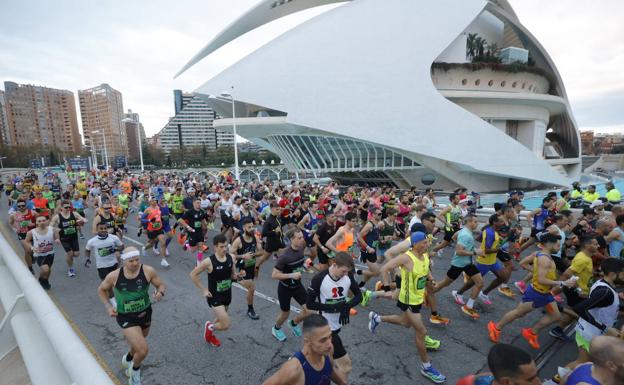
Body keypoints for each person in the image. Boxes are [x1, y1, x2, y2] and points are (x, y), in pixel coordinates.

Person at [368, 231, 446, 383]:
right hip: (408, 300)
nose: (427, 244)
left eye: (427, 242)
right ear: (414, 244)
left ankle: (378, 318)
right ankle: (426, 367)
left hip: (417, 298)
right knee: (421, 331)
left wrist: (432, 279)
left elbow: (426, 269)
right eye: (423, 242)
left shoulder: (424, 255)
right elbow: (384, 269)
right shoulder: (406, 257)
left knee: (405, 323)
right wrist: (385, 288)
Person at [488, 233, 578, 349]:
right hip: (536, 293)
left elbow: (523, 263)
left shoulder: (538, 254)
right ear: (550, 244)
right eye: (558, 245)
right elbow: (541, 279)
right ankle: (496, 327)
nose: (559, 247)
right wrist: (562, 283)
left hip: (545, 294)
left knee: (555, 315)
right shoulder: (545, 260)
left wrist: (535, 272)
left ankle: (532, 332)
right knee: (518, 313)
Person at [97, 246, 166, 385]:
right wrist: (108, 307)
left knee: (139, 342)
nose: (135, 263)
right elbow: (101, 290)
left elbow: (160, 285)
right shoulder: (114, 276)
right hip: (126, 316)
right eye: (131, 261)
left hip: (145, 312)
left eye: (137, 260)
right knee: (143, 350)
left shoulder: (148, 271)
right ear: (123, 261)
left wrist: (160, 292)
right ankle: (134, 372)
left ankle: (128, 357)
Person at [306, 252, 361, 378]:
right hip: (325, 326)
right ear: (334, 265)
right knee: (345, 366)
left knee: (328, 359)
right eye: (343, 271)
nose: (346, 275)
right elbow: (310, 304)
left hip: (337, 324)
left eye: (347, 272)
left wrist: (347, 306)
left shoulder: (348, 275)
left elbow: (359, 295)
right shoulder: (319, 278)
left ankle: (311, 364)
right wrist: (331, 307)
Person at [563, 258, 624, 371]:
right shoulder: (605, 292)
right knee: (581, 363)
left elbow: (603, 305)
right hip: (589, 335)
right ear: (612, 274)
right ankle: (554, 381)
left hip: (590, 332)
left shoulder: (602, 284)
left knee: (587, 363)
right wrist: (604, 328)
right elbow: (579, 308)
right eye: (622, 274)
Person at [190, 234, 245, 347]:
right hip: (214, 296)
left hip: (227, 294)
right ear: (215, 247)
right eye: (221, 247)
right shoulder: (208, 261)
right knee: (226, 324)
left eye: (225, 246)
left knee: (221, 317)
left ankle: (209, 333)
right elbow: (193, 274)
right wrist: (204, 290)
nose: (224, 249)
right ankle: (210, 327)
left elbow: (233, 276)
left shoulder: (231, 257)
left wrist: (239, 275)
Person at [261, 314, 347, 385]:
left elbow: (330, 371)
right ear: (307, 341)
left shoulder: (328, 350)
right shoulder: (294, 369)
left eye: (330, 336)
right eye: (323, 340)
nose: (329, 343)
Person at [432, 214, 485, 319]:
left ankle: (468, 306)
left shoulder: (462, 231)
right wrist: (475, 252)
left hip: (467, 264)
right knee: (444, 284)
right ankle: (426, 294)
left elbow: (454, 237)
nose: (477, 223)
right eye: (475, 221)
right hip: (458, 264)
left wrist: (470, 249)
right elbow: (459, 251)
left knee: (480, 283)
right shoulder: (466, 235)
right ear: (469, 222)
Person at [271, 229, 311, 342]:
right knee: (285, 313)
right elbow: (274, 275)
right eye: (299, 238)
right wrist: (291, 275)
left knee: (310, 310)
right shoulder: (284, 256)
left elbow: (299, 263)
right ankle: (276, 329)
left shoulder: (301, 247)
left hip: (297, 286)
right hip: (285, 288)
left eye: (302, 237)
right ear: (292, 239)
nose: (302, 240)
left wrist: (304, 266)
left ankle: (294, 323)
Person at [455, 343, 541, 385]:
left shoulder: (473, 380)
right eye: (530, 379)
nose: (539, 383)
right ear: (506, 382)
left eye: (537, 375)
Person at [230, 218, 264, 320]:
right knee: (251, 288)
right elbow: (230, 254)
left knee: (250, 287)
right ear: (244, 228)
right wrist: (243, 256)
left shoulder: (255, 238)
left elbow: (261, 252)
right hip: (242, 268)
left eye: (252, 226)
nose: (252, 229)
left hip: (251, 267)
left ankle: (234, 279)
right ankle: (250, 309)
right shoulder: (239, 240)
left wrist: (253, 254)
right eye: (249, 227)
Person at [86, 221, 124, 307]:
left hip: (114, 264)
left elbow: (122, 246)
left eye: (105, 228)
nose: (103, 230)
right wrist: (88, 259)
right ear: (97, 230)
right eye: (101, 229)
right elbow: (87, 249)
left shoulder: (113, 238)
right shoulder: (92, 241)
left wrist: (115, 250)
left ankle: (121, 298)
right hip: (102, 266)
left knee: (118, 283)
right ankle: (114, 302)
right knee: (108, 285)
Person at [50, 200, 86, 277]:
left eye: (69, 207)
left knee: (76, 254)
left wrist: (82, 220)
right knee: (70, 254)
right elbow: (50, 226)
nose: (68, 208)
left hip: (74, 237)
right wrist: (55, 231)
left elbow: (84, 219)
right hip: (64, 238)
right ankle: (71, 269)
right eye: (66, 207)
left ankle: (69, 258)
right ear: (61, 208)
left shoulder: (74, 214)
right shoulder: (57, 217)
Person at [25, 215, 60, 289]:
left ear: (47, 221)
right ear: (36, 223)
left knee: (48, 270)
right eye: (39, 221)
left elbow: (56, 234)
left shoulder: (52, 229)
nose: (42, 222)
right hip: (39, 254)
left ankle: (44, 280)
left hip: (50, 254)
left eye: (44, 220)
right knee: (45, 269)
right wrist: (32, 248)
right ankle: (42, 280)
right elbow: (26, 241)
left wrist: (57, 239)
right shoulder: (32, 232)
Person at [178, 198, 209, 265]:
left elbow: (203, 219)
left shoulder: (202, 211)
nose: (199, 204)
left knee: (200, 247)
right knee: (193, 250)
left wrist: (205, 226)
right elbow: (180, 220)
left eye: (200, 203)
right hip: (192, 232)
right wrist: (188, 227)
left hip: (199, 231)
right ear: (193, 203)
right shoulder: (190, 212)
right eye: (197, 203)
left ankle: (199, 263)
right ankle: (187, 244)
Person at [9, 198, 36, 273]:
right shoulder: (14, 215)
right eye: (19, 206)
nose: (21, 207)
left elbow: (39, 221)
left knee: (33, 251)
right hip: (22, 234)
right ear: (17, 206)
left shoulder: (33, 213)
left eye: (23, 206)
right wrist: (14, 228)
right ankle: (30, 268)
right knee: (28, 251)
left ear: (26, 205)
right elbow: (11, 222)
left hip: (33, 233)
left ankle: (33, 255)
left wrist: (33, 224)